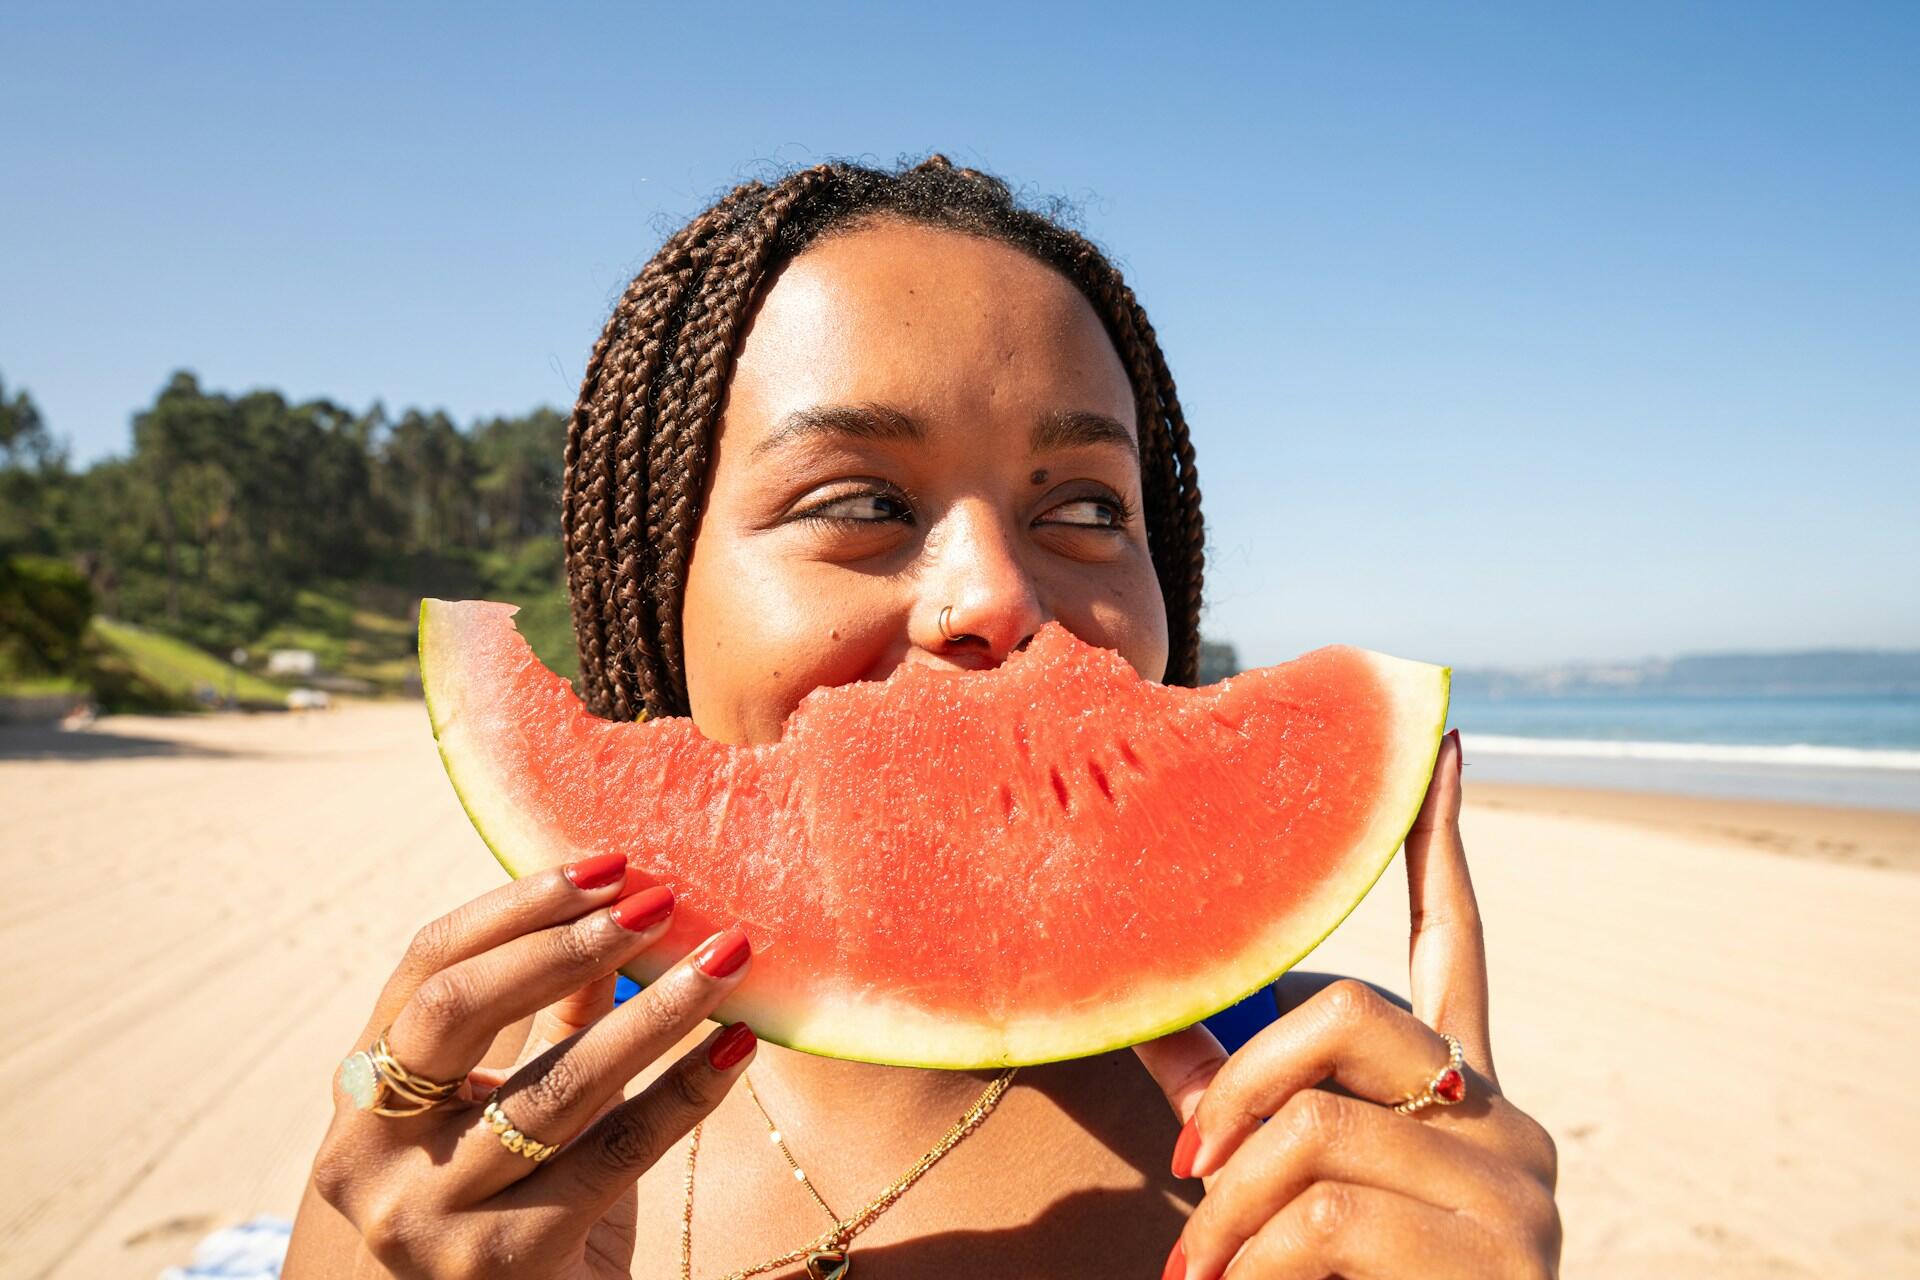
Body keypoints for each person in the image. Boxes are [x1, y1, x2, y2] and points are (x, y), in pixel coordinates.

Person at [286, 155, 1559, 1279]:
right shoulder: (457, 1133)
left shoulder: (1335, 1122)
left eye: (1088, 509)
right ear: (658, 575)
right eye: (858, 498)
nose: (995, 597)